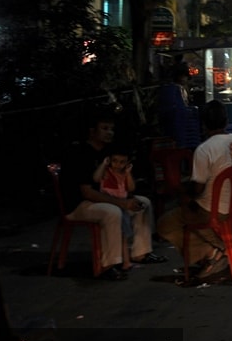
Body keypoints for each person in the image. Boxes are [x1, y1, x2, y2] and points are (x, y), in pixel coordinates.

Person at [157, 100, 232, 280]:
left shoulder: (205, 149)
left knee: (166, 223)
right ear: (225, 121)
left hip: (212, 211)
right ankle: (216, 253)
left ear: (203, 124)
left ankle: (214, 253)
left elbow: (197, 188)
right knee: (187, 213)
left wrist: (182, 193)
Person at [60, 117, 166, 281]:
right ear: (92, 131)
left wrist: (128, 198)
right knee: (112, 212)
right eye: (104, 128)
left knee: (143, 203)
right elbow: (87, 192)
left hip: (107, 198)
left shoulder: (109, 151)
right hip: (81, 204)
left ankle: (141, 252)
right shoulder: (80, 153)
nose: (109, 133)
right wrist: (122, 203)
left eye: (111, 129)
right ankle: (109, 264)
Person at [95, 145, 140, 272]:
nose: (117, 165)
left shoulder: (124, 174)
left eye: (122, 162)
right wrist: (104, 164)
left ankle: (126, 261)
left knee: (124, 236)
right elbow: (96, 178)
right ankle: (124, 262)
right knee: (122, 235)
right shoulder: (106, 172)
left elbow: (131, 188)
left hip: (122, 206)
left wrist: (128, 174)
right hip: (111, 205)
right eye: (114, 161)